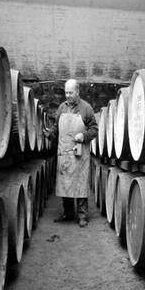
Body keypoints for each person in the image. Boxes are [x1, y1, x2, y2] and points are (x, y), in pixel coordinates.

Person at [43, 79, 98, 228]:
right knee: (65, 183)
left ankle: (82, 216)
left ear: (77, 92)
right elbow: (56, 128)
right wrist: (50, 134)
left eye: (70, 93)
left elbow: (94, 129)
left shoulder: (86, 108)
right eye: (66, 92)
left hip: (79, 152)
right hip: (64, 152)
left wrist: (84, 136)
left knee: (80, 184)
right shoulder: (61, 108)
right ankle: (68, 213)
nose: (68, 95)